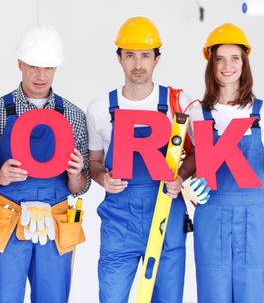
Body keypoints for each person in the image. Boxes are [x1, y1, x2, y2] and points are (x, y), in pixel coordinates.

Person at [87, 16, 206, 303]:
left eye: (145, 56)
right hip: (119, 224)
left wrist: (181, 177)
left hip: (166, 216)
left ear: (156, 59)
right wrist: (103, 178)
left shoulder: (180, 103)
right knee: (112, 298)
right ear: (119, 59)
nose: (137, 64)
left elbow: (200, 153)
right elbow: (94, 162)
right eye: (130, 55)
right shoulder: (101, 108)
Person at [0, 24, 90, 303]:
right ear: (20, 64)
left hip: (55, 225)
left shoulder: (72, 115)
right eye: (34, 66)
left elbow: (81, 186)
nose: (41, 75)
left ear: (56, 69)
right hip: (6, 223)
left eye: (48, 67)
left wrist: (74, 175)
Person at [191, 23, 264, 303]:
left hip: (254, 219)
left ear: (244, 62)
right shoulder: (198, 114)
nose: (228, 65)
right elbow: (196, 169)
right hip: (212, 218)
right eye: (220, 58)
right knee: (213, 294)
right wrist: (191, 188)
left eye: (235, 58)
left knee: (253, 294)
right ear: (211, 64)